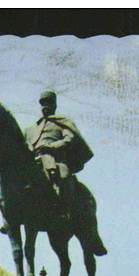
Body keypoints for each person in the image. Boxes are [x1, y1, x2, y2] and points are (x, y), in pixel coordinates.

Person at [23, 90, 93, 223]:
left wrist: (52, 146)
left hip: (55, 159)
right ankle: (10, 214)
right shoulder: (31, 129)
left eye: (49, 103)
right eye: (43, 103)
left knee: (64, 177)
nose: (46, 106)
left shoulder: (62, 123)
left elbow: (69, 139)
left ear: (55, 105)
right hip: (34, 160)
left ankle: (63, 210)